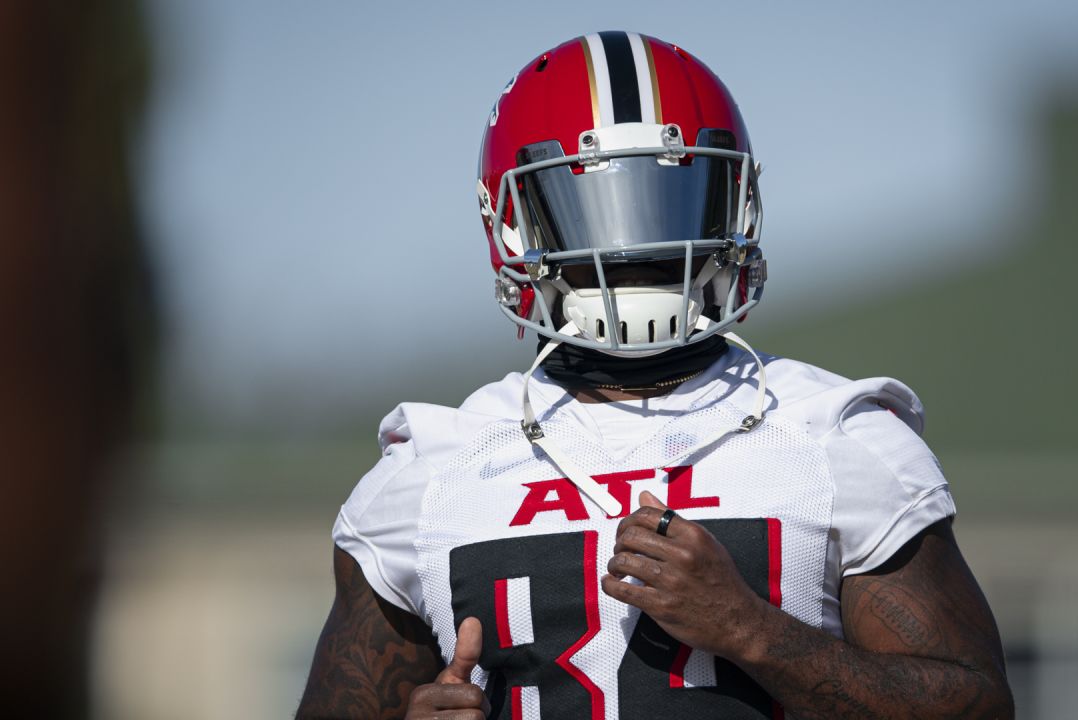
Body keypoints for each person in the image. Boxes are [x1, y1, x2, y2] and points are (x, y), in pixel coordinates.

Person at [298, 31, 1013, 720]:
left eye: (671, 203)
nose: (636, 246)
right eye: (592, 211)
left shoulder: (839, 434)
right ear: (515, 226)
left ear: (734, 203)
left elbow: (976, 705)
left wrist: (753, 632)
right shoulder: (430, 471)